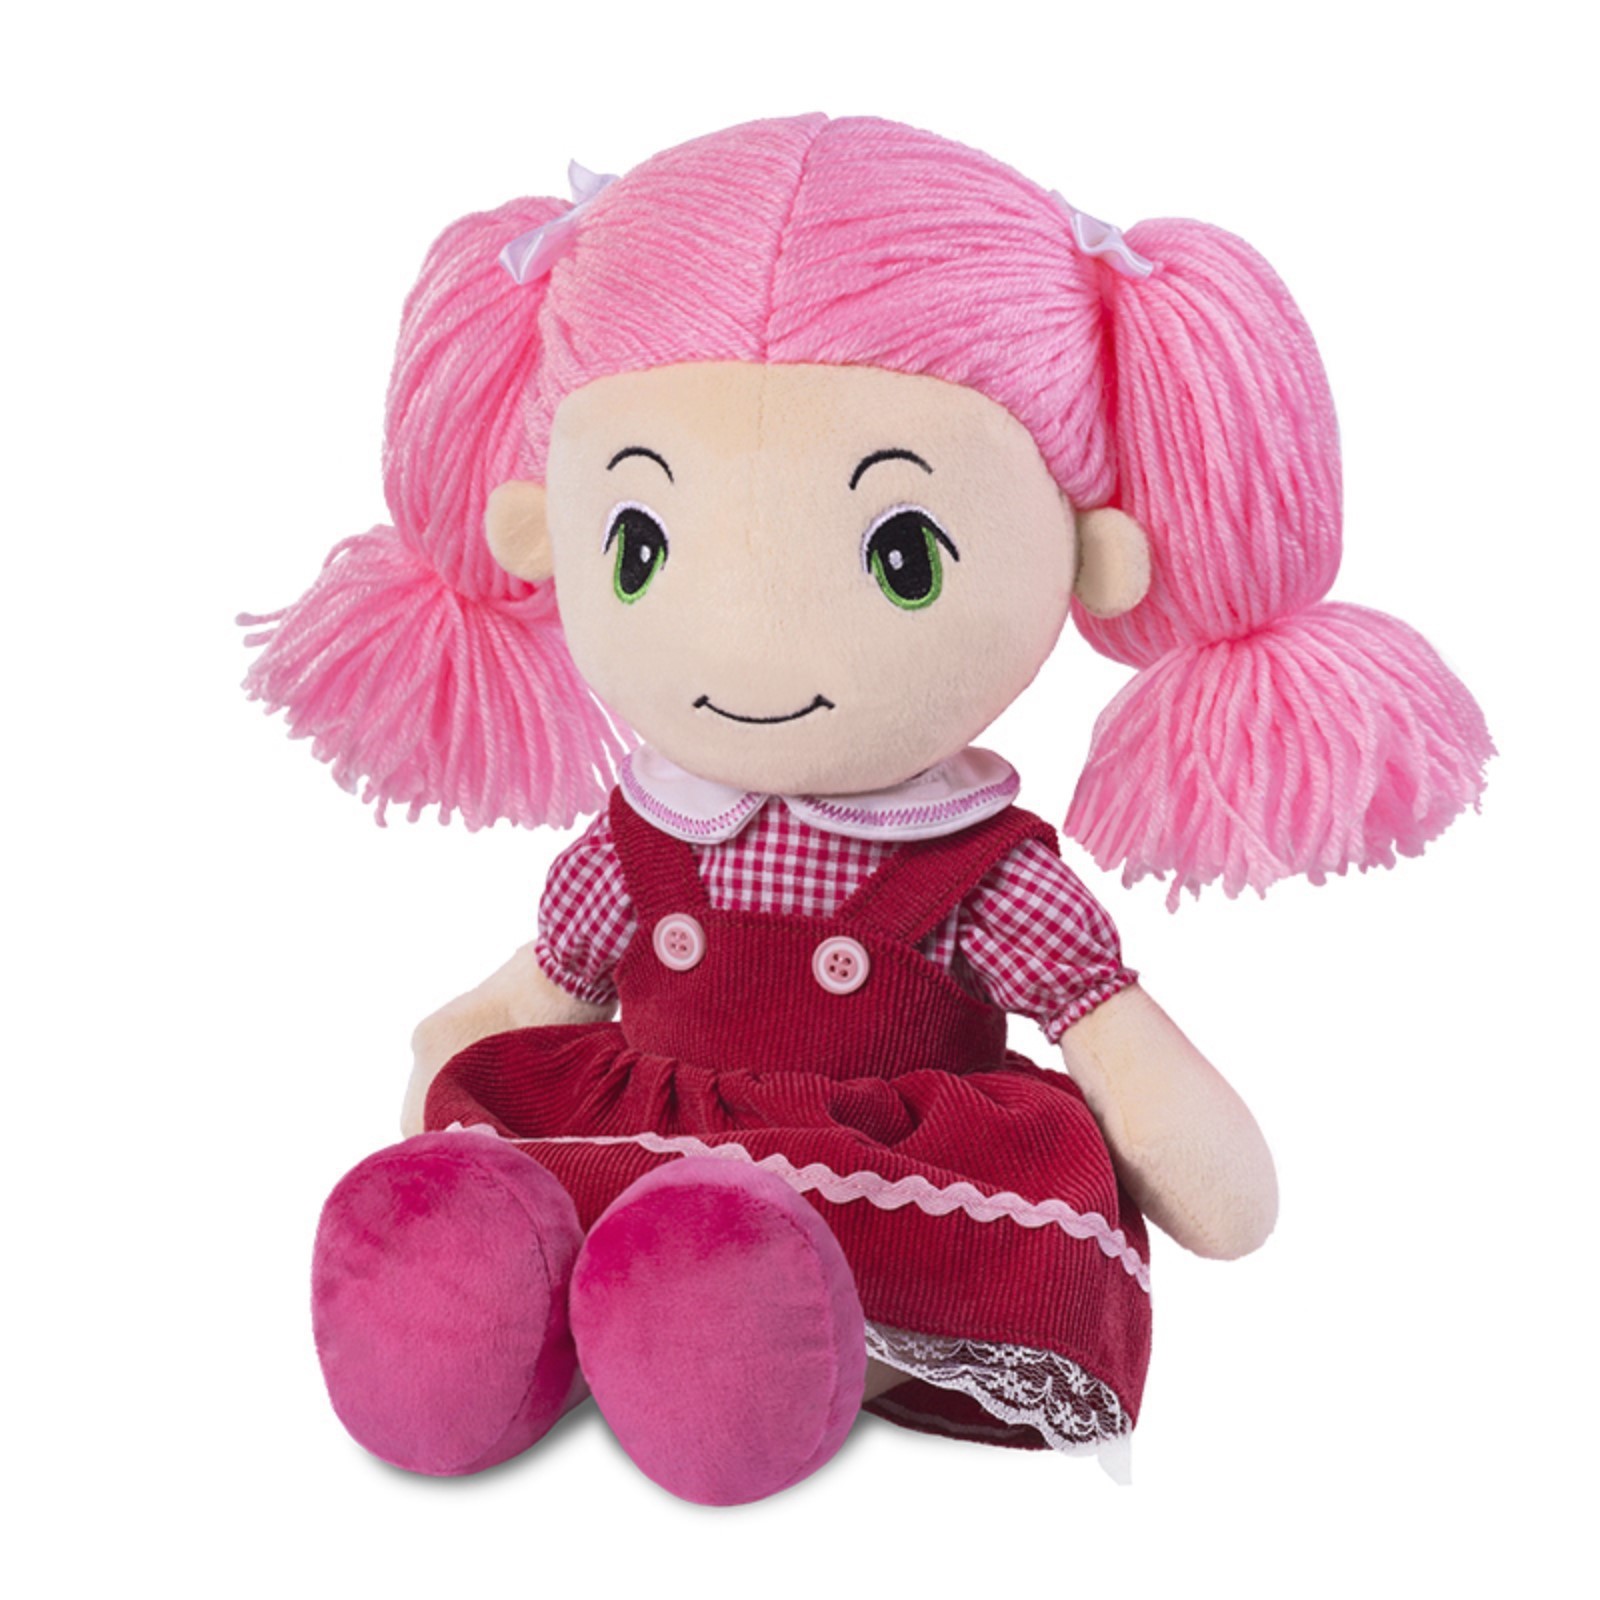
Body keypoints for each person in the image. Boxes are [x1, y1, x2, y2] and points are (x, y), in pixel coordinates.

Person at [245, 114, 1490, 1504]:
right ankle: (482, 1309)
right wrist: (456, 1047)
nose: (748, 639)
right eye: (641, 545)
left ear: (1086, 557)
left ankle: (740, 1348)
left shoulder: (982, 873)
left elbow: (1107, 1032)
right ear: (547, 527)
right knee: (525, 1198)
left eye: (905, 556)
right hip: (641, 1128)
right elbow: (539, 988)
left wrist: (1195, 1161)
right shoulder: (640, 839)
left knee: (761, 1267)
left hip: (878, 1164)